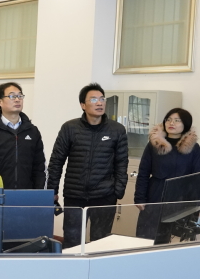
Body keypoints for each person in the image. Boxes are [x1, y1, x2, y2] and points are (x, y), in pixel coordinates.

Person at [47, 83, 128, 249]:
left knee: (101, 241)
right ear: (83, 105)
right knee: (72, 241)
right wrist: (52, 190)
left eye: (102, 99)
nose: (99, 103)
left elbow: (122, 162)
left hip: (104, 196)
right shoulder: (70, 128)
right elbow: (57, 161)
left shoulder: (117, 130)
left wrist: (118, 191)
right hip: (74, 195)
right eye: (93, 99)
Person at [134, 108, 200, 239]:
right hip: (156, 195)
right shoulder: (154, 144)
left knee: (178, 241)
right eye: (168, 120)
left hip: (182, 199)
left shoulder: (193, 147)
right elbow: (143, 173)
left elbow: (196, 178)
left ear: (186, 124)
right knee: (148, 238)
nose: (171, 123)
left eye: (177, 120)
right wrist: (140, 198)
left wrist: (196, 205)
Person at [0, 82, 46, 189]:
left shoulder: (32, 131)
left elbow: (40, 167)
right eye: (12, 96)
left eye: (20, 96)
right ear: (0, 102)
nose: (17, 99)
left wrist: (39, 193)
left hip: (26, 194)